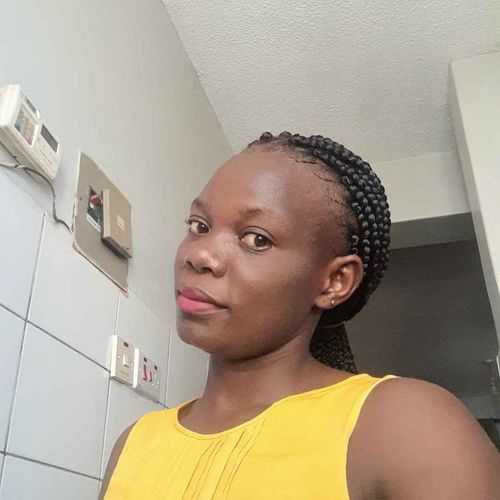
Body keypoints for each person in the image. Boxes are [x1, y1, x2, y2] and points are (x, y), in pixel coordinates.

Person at [100, 132, 500, 499]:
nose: (200, 254)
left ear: (334, 282)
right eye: (199, 225)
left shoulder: (403, 425)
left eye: (256, 239)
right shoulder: (134, 443)